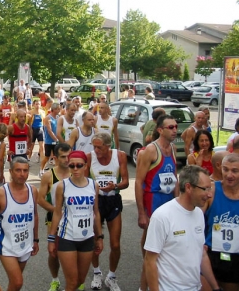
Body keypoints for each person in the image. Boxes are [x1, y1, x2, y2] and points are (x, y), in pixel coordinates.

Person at [144, 165, 221, 291]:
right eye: (205, 189)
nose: (209, 194)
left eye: (210, 188)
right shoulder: (162, 216)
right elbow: (150, 261)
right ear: (189, 187)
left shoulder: (199, 214)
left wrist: (215, 287)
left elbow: (201, 255)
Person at [135, 115, 179, 291]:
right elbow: (138, 182)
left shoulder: (173, 148)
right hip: (153, 202)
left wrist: (178, 204)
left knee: (167, 247)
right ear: (160, 130)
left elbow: (174, 178)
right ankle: (143, 287)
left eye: (175, 126)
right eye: (170, 127)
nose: (175, 129)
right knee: (151, 250)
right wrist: (141, 213)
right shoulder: (150, 151)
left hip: (169, 201)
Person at [48, 151, 103, 291]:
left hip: (87, 238)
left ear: (86, 166)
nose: (75, 169)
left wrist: (100, 237)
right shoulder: (62, 186)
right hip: (67, 237)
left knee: (80, 281)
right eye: (72, 166)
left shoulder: (93, 185)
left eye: (79, 165)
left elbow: (95, 212)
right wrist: (51, 239)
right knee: (72, 282)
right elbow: (57, 213)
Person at [0, 157, 39, 291]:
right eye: (18, 170)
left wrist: (36, 239)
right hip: (6, 245)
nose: (22, 174)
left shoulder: (33, 191)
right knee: (18, 281)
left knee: (15, 283)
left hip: (25, 243)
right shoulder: (1, 194)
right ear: (10, 171)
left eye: (25, 171)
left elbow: (35, 215)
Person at [85, 133, 129, 291]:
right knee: (95, 242)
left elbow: (125, 182)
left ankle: (111, 276)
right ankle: (97, 272)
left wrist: (115, 186)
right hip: (96, 203)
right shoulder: (89, 157)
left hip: (113, 200)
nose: (96, 150)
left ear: (108, 146)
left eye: (99, 147)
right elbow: (83, 181)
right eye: (94, 146)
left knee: (115, 244)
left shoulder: (120, 156)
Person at [201, 153, 239, 291]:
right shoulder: (212, 190)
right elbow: (194, 220)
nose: (229, 175)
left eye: (235, 171)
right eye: (225, 169)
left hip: (235, 257)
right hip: (211, 254)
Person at [38, 143, 72, 291]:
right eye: (63, 157)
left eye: (69, 156)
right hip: (54, 220)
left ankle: (74, 280)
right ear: (56, 158)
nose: (67, 159)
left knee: (74, 251)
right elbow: (40, 199)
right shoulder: (48, 175)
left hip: (74, 220)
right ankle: (55, 279)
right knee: (54, 252)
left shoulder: (76, 172)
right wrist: (56, 210)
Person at [40, 103, 60, 177]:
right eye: (58, 109)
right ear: (53, 109)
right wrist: (56, 139)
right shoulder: (48, 118)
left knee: (57, 157)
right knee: (47, 157)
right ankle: (41, 170)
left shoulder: (58, 117)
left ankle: (56, 173)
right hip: (49, 141)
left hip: (56, 141)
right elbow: (49, 130)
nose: (59, 110)